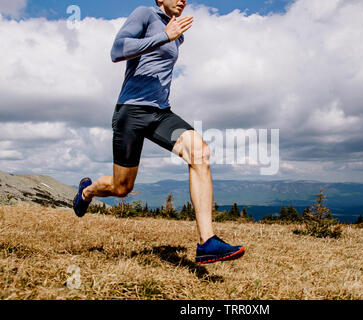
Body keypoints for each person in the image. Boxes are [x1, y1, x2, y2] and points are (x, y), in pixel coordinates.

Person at [73, 0, 245, 264]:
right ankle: (87, 191)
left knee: (199, 152)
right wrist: (164, 36)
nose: (183, 0)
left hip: (160, 114)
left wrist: (172, 35)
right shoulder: (145, 15)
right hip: (131, 112)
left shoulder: (178, 34)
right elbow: (117, 50)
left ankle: (207, 242)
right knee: (122, 188)